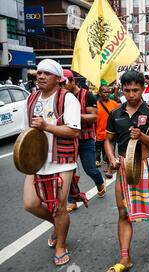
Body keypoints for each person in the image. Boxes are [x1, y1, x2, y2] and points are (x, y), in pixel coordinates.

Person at [104, 70, 149, 272]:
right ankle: (125, 257)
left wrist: (142, 136)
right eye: (127, 90)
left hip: (146, 164)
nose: (131, 94)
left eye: (135, 90)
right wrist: (111, 158)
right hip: (123, 166)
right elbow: (108, 140)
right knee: (123, 212)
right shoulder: (115, 114)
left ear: (143, 89)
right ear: (122, 89)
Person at [22, 59, 81, 266]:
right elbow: (26, 132)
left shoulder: (68, 99)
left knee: (59, 208)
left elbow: (74, 130)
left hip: (61, 160)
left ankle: (61, 246)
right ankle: (58, 225)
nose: (41, 76)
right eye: (39, 73)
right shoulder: (31, 99)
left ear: (58, 78)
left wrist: (47, 126)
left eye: (47, 73)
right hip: (37, 160)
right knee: (30, 204)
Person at [61, 69, 105, 213]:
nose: (61, 87)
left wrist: (74, 115)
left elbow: (93, 117)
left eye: (64, 83)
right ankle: (72, 200)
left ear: (72, 81)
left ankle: (100, 183)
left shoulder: (87, 95)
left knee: (90, 169)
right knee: (68, 172)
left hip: (85, 140)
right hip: (67, 140)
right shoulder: (61, 97)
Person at [96, 84, 118, 179]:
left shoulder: (114, 104)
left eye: (108, 92)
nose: (107, 94)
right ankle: (111, 163)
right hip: (99, 133)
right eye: (105, 92)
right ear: (99, 93)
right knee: (105, 153)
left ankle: (110, 169)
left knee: (111, 150)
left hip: (112, 133)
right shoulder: (96, 105)